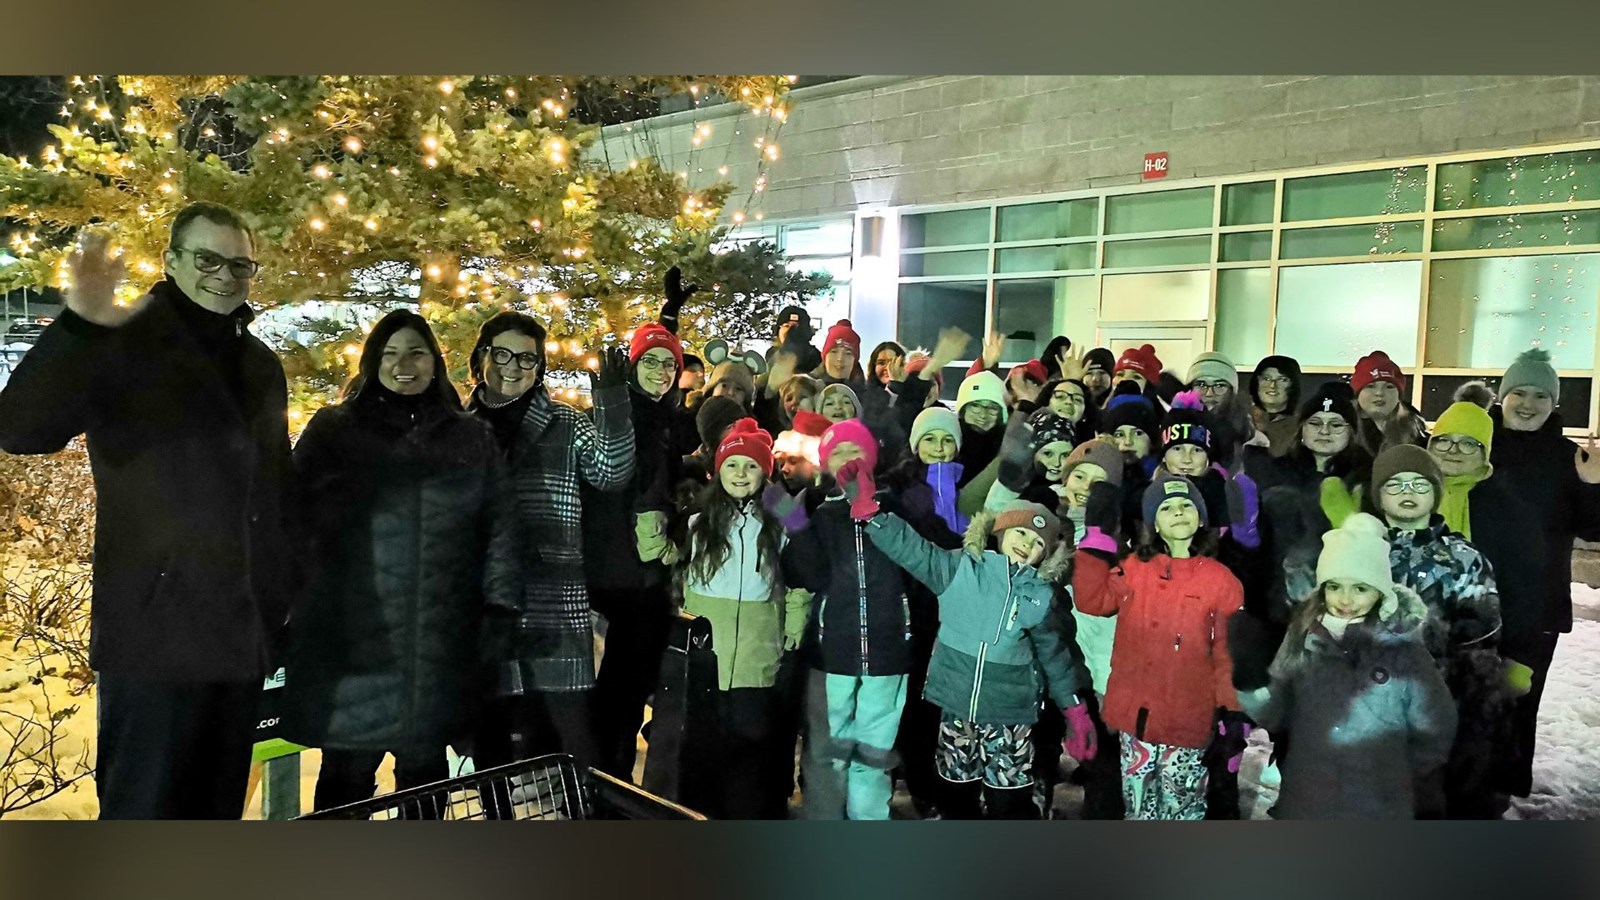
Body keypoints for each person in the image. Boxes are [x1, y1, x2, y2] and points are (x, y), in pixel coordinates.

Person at [0, 206, 294, 819]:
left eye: (239, 264)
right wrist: (80, 323)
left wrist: (280, 598)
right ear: (171, 262)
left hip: (239, 635)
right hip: (156, 633)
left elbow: (273, 492)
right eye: (207, 259)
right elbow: (21, 428)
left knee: (213, 814)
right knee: (144, 813)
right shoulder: (125, 343)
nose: (225, 276)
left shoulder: (259, 364)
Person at [284, 310, 519, 814]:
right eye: (390, 354)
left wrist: (500, 608)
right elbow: (290, 517)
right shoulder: (333, 431)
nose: (403, 364)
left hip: (438, 643)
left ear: (435, 361)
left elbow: (499, 526)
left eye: (415, 352)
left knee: (425, 782)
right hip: (355, 645)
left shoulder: (470, 438)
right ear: (372, 363)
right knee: (344, 783)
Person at [464, 314, 635, 769]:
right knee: (492, 737)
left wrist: (612, 401)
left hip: (554, 596)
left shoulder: (563, 420)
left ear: (540, 366)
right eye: (501, 353)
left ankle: (585, 824)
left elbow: (611, 471)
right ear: (481, 357)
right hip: (484, 601)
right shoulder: (458, 426)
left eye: (526, 358)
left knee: (574, 733)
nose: (512, 366)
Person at [863, 500, 1095, 819]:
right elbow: (913, 550)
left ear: (1048, 553)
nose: (1027, 544)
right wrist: (874, 517)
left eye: (1038, 542)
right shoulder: (961, 568)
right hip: (957, 709)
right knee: (956, 796)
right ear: (1000, 532)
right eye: (1021, 533)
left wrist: (1074, 709)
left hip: (1010, 715)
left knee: (1008, 800)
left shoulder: (1039, 595)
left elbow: (1055, 658)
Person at [1230, 514, 1457, 819]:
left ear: (1380, 590)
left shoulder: (1403, 650)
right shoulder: (1302, 636)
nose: (1345, 599)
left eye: (1360, 588)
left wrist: (1397, 775)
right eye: (1334, 586)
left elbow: (1435, 724)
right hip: (1309, 796)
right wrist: (1249, 682)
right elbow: (1277, 713)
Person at [1072, 473, 1246, 820]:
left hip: (1187, 720)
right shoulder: (1135, 567)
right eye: (1167, 508)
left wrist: (1233, 714)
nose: (1179, 513)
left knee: (1182, 808)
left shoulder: (1220, 580)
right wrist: (1095, 546)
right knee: (1138, 807)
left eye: (1186, 506)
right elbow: (1093, 600)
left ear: (1201, 518)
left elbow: (1227, 653)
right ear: (1153, 522)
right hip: (1135, 720)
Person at [772, 420, 915, 820]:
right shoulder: (822, 514)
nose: (848, 461)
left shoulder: (896, 508)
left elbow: (917, 565)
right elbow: (809, 574)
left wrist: (877, 513)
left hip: (887, 654)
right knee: (827, 749)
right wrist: (796, 526)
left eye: (856, 452)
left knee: (873, 751)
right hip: (831, 652)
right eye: (838, 453)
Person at [678, 419, 812, 819]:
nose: (740, 473)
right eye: (732, 464)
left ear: (765, 474)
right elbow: (667, 561)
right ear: (717, 470)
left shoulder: (776, 523)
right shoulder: (697, 519)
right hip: (706, 659)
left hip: (757, 659)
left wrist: (795, 618)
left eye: (751, 466)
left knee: (751, 749)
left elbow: (803, 569)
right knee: (704, 750)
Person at [1367, 445, 1507, 818]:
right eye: (1394, 485)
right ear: (1377, 495)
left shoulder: (1463, 558)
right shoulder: (1360, 552)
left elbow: (1481, 642)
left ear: (1435, 492)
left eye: (1418, 483)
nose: (1407, 492)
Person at [583, 322, 696, 779]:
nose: (662, 371)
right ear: (632, 365)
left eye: (670, 363)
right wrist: (663, 548)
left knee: (624, 690)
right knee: (620, 691)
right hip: (624, 573)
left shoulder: (658, 415)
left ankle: (611, 778)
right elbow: (633, 491)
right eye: (651, 360)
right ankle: (608, 784)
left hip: (631, 574)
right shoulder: (628, 415)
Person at [1487, 348, 1600, 802]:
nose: (1528, 403)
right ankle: (1466, 779)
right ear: (1502, 396)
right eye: (1518, 392)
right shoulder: (1479, 445)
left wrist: (1593, 486)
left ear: (1554, 404)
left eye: (1540, 395)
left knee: (1520, 698)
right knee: (1470, 694)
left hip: (1537, 603)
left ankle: (1510, 788)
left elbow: (1593, 530)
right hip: (1475, 595)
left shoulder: (1568, 457)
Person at [1425, 400, 1550, 806]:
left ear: (1486, 453)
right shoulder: (1407, 497)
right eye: (1445, 441)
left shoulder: (1510, 509)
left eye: (1469, 444)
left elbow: (1529, 590)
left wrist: (1519, 658)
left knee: (1471, 768)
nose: (1454, 451)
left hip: (1480, 662)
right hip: (1414, 656)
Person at [1057, 441, 1127, 819]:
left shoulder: (1118, 541)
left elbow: (1104, 622)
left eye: (1098, 481)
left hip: (1098, 669)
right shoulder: (1048, 525)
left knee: (1104, 760)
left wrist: (1104, 683)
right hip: (1055, 663)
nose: (1084, 486)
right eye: (1079, 476)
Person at [1352, 350, 1428, 457]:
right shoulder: (1340, 433)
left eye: (1389, 387)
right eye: (1370, 386)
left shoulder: (1421, 440)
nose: (1379, 393)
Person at [1185, 351, 1254, 467]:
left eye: (1219, 386)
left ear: (1232, 392)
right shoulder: (1173, 429)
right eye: (1201, 385)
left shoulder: (1249, 435)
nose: (1209, 393)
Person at [1248, 355, 1302, 457]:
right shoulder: (1240, 418)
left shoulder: (1302, 425)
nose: (1272, 385)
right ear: (1257, 381)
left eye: (1282, 380)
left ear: (1293, 385)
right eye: (1266, 378)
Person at [765, 304, 821, 374]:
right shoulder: (772, 353)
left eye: (795, 327)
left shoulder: (813, 356)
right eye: (786, 326)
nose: (790, 331)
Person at [814, 319, 865, 386]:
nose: (840, 358)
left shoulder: (869, 394)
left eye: (848, 353)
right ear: (824, 356)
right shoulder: (805, 388)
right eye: (834, 352)